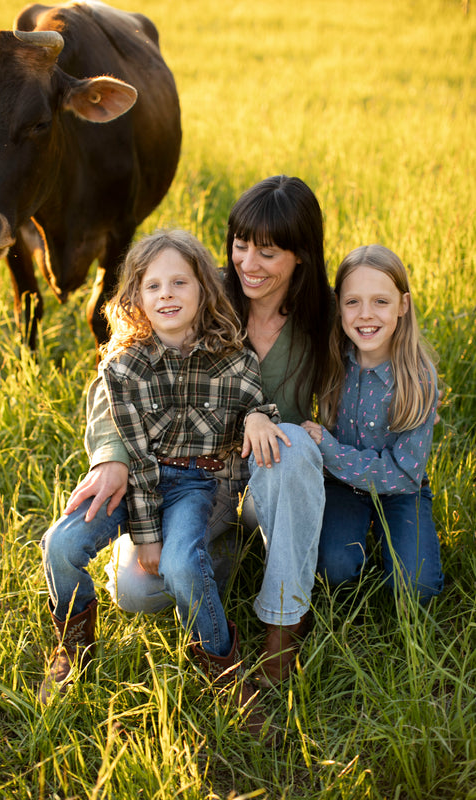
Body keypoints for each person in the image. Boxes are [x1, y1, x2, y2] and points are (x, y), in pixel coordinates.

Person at [39, 229, 289, 721]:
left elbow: (257, 408)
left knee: (179, 566)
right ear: (135, 297)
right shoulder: (123, 367)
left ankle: (222, 665)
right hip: (139, 480)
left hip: (198, 484)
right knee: (60, 546)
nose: (167, 295)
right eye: (153, 286)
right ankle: (74, 646)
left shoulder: (234, 359)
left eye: (180, 283)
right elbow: (135, 454)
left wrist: (262, 416)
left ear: (203, 290)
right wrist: (146, 535)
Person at [100, 175, 333, 686]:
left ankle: (283, 623)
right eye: (241, 245)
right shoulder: (202, 293)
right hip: (194, 480)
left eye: (268, 252)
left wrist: (319, 433)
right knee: (136, 593)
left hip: (269, 480)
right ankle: (221, 554)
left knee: (290, 449)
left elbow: (351, 390)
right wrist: (111, 455)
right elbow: (117, 374)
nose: (248, 263)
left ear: (301, 256)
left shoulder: (323, 317)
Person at [302, 244, 444, 601]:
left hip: (401, 492)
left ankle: (392, 551)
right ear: (339, 306)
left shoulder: (418, 377)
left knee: (417, 587)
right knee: (331, 570)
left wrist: (330, 450)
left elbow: (404, 473)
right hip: (340, 487)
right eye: (353, 302)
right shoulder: (331, 359)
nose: (366, 315)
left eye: (381, 301)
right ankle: (352, 550)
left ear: (403, 305)